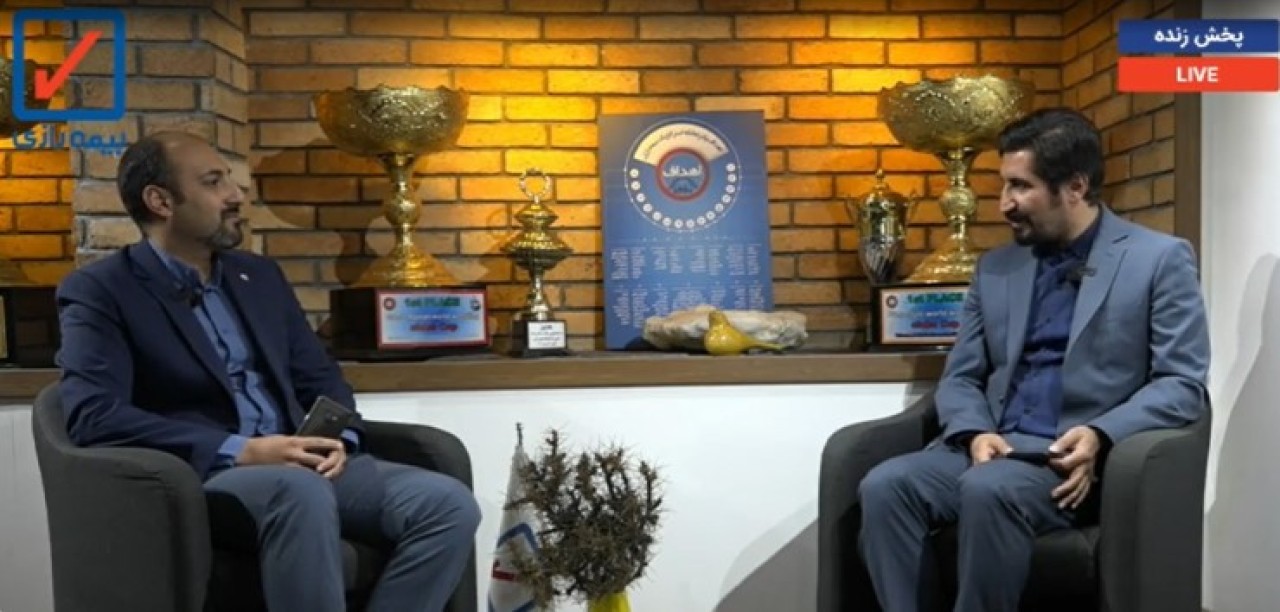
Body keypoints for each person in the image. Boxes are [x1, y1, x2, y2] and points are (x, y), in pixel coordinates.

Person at [55, 131, 481, 612]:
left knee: (447, 505)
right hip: (204, 475)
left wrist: (337, 439)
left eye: (230, 180)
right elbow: (95, 415)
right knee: (300, 492)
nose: (235, 195)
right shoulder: (102, 291)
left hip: (301, 462)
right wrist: (243, 450)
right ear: (161, 201)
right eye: (213, 182)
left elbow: (320, 377)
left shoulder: (257, 276)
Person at [855, 107, 1210, 612]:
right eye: (1004, 185)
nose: (1005, 203)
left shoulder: (1158, 259)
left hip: (1069, 463)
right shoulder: (996, 268)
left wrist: (1101, 433)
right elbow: (961, 377)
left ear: (1076, 186)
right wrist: (975, 432)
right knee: (886, 485)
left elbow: (1181, 382)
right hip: (991, 448)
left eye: (1021, 187)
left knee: (988, 490)